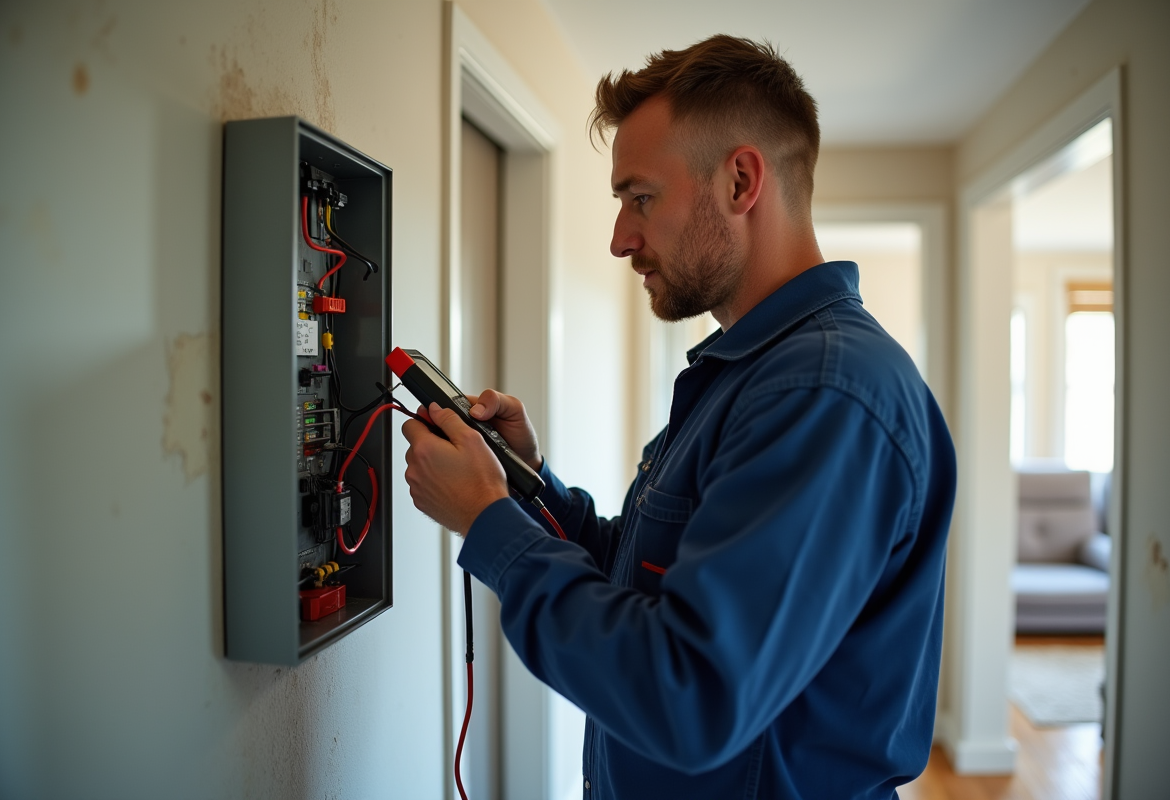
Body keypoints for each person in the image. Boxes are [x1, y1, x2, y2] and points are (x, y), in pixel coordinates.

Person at [402, 35, 956, 800]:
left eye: (641, 198)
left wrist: (491, 525)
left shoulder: (822, 393)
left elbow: (690, 699)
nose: (621, 238)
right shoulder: (752, 371)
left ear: (739, 180)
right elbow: (650, 588)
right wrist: (524, 491)